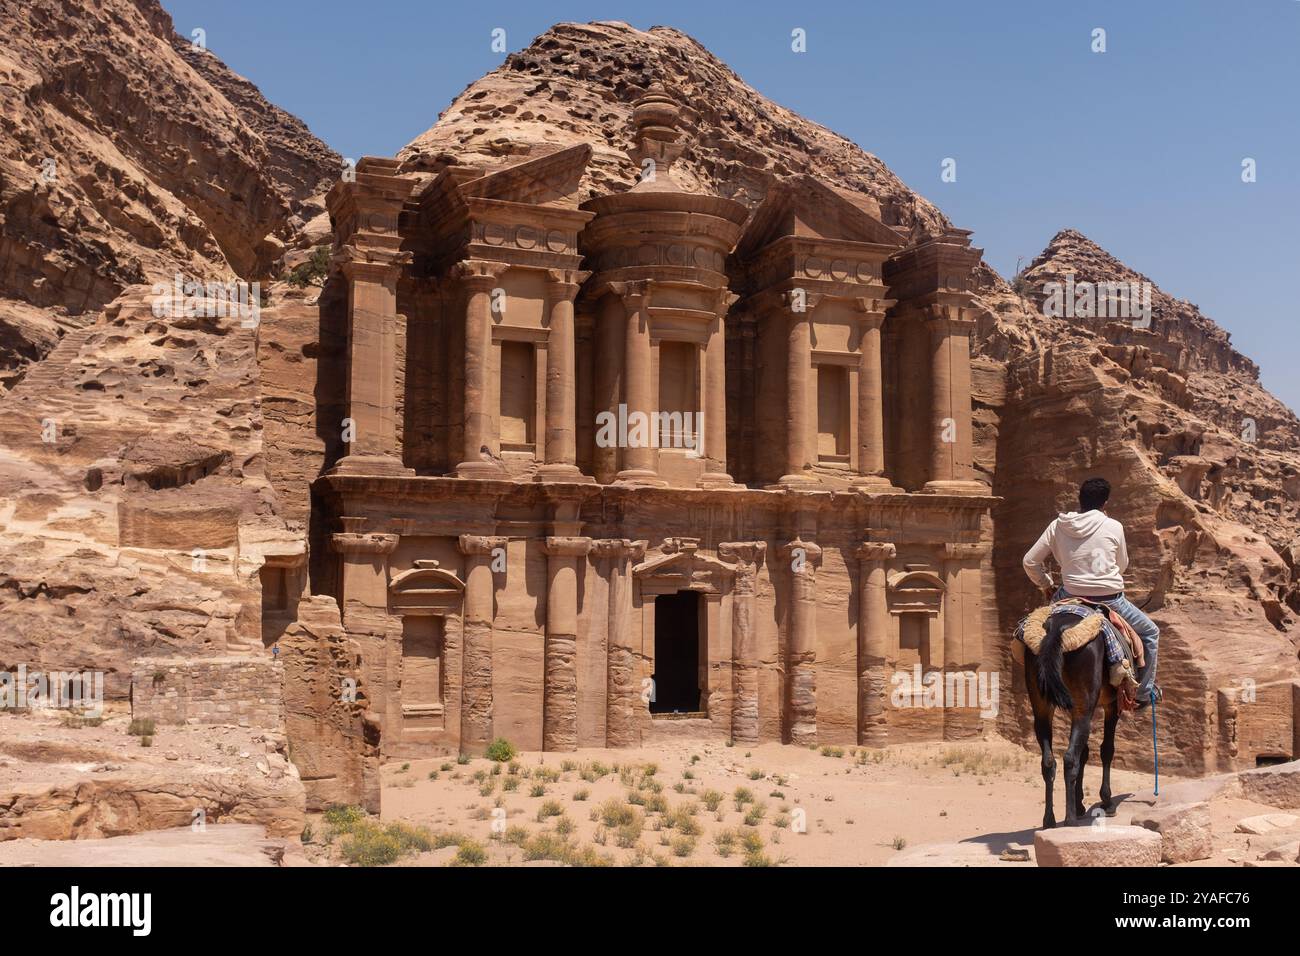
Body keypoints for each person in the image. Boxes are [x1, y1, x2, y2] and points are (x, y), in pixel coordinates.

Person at [1022, 477, 1160, 708]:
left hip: (1069, 595)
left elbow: (1029, 561)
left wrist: (1046, 584)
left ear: (1080, 500)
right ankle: (1143, 694)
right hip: (1111, 599)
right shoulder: (1114, 526)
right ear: (1105, 503)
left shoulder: (1058, 525)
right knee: (1151, 633)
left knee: (1030, 629)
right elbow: (1121, 565)